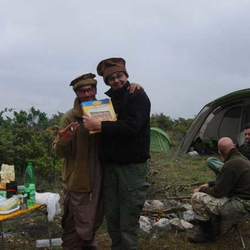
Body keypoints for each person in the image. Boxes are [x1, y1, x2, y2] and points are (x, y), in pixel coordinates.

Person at [53, 73, 142, 250]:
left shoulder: (105, 110)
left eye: (90, 90)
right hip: (78, 180)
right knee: (74, 223)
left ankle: (88, 245)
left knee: (93, 219)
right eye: (81, 91)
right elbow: (59, 152)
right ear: (76, 94)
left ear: (95, 90)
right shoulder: (70, 117)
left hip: (102, 178)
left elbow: (123, 128)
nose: (86, 94)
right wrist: (63, 140)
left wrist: (134, 88)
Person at [83, 57, 151, 250]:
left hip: (131, 168)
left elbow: (133, 126)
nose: (116, 80)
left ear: (126, 75)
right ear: (106, 81)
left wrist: (101, 125)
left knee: (128, 220)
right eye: (111, 78)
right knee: (112, 217)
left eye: (119, 76)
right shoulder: (107, 101)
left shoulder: (138, 96)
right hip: (110, 168)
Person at [188, 137, 250, 244]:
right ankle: (214, 227)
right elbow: (226, 181)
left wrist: (201, 190)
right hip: (244, 201)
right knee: (214, 198)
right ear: (234, 147)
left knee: (197, 199)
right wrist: (209, 184)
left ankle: (207, 235)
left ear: (220, 152)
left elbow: (218, 192)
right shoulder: (242, 159)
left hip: (238, 206)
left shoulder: (231, 164)